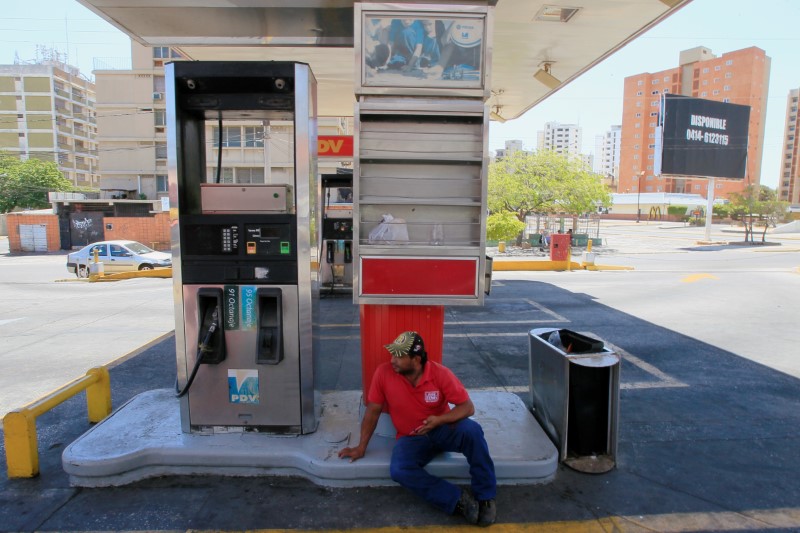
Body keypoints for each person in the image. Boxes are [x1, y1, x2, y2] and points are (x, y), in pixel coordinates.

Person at [338, 331, 497, 527]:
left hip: (442, 429)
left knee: (472, 431)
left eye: (399, 356)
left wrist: (439, 420)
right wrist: (361, 447)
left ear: (416, 359)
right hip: (410, 438)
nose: (392, 360)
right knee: (399, 470)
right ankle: (458, 501)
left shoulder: (440, 374)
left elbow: (467, 407)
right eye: (392, 354)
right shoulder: (383, 373)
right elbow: (373, 412)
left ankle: (486, 496)